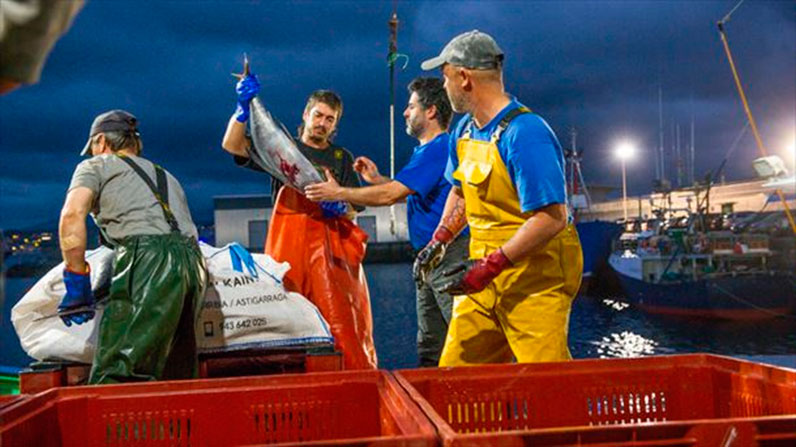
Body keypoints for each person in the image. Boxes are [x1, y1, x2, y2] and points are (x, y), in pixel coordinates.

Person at [415, 30, 583, 366]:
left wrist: (494, 265)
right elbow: (462, 192)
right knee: (456, 380)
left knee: (549, 382)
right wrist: (440, 240)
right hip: (481, 279)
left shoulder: (526, 133)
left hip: (533, 279)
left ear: (463, 77)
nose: (443, 86)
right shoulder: (463, 131)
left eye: (445, 76)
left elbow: (552, 218)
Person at [305, 77, 470, 367]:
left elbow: (392, 194)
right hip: (430, 260)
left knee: (462, 339)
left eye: (410, 107)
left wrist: (338, 192)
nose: (406, 113)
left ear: (430, 111)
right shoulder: (426, 151)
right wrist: (377, 180)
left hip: (449, 258)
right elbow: (405, 192)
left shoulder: (439, 148)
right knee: (432, 344)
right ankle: (433, 403)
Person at [221, 72, 377, 370]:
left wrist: (339, 206)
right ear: (306, 114)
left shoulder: (342, 157)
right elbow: (232, 145)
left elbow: (355, 209)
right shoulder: (281, 149)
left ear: (335, 125)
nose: (322, 123)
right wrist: (242, 110)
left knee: (337, 318)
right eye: (318, 115)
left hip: (329, 251)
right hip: (288, 245)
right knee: (288, 315)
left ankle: (339, 372)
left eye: (330, 119)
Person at [58, 110, 207, 384]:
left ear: (100, 141)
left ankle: (115, 425)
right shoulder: (166, 175)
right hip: (193, 263)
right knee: (173, 370)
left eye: (92, 147)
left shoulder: (96, 166)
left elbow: (71, 216)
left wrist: (76, 280)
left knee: (120, 371)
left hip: (148, 260)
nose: (92, 153)